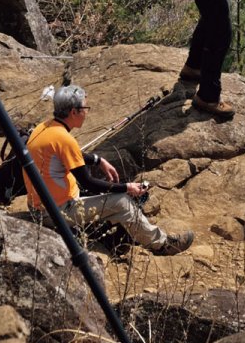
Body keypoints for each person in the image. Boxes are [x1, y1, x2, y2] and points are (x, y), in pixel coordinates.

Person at [23, 84, 194, 255]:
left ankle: (116, 238)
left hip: (41, 205)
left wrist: (98, 160)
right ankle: (162, 245)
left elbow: (69, 155)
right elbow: (88, 183)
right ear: (74, 112)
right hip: (54, 212)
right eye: (85, 108)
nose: (87, 112)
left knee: (113, 190)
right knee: (122, 201)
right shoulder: (64, 139)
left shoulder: (45, 127)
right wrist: (127, 188)